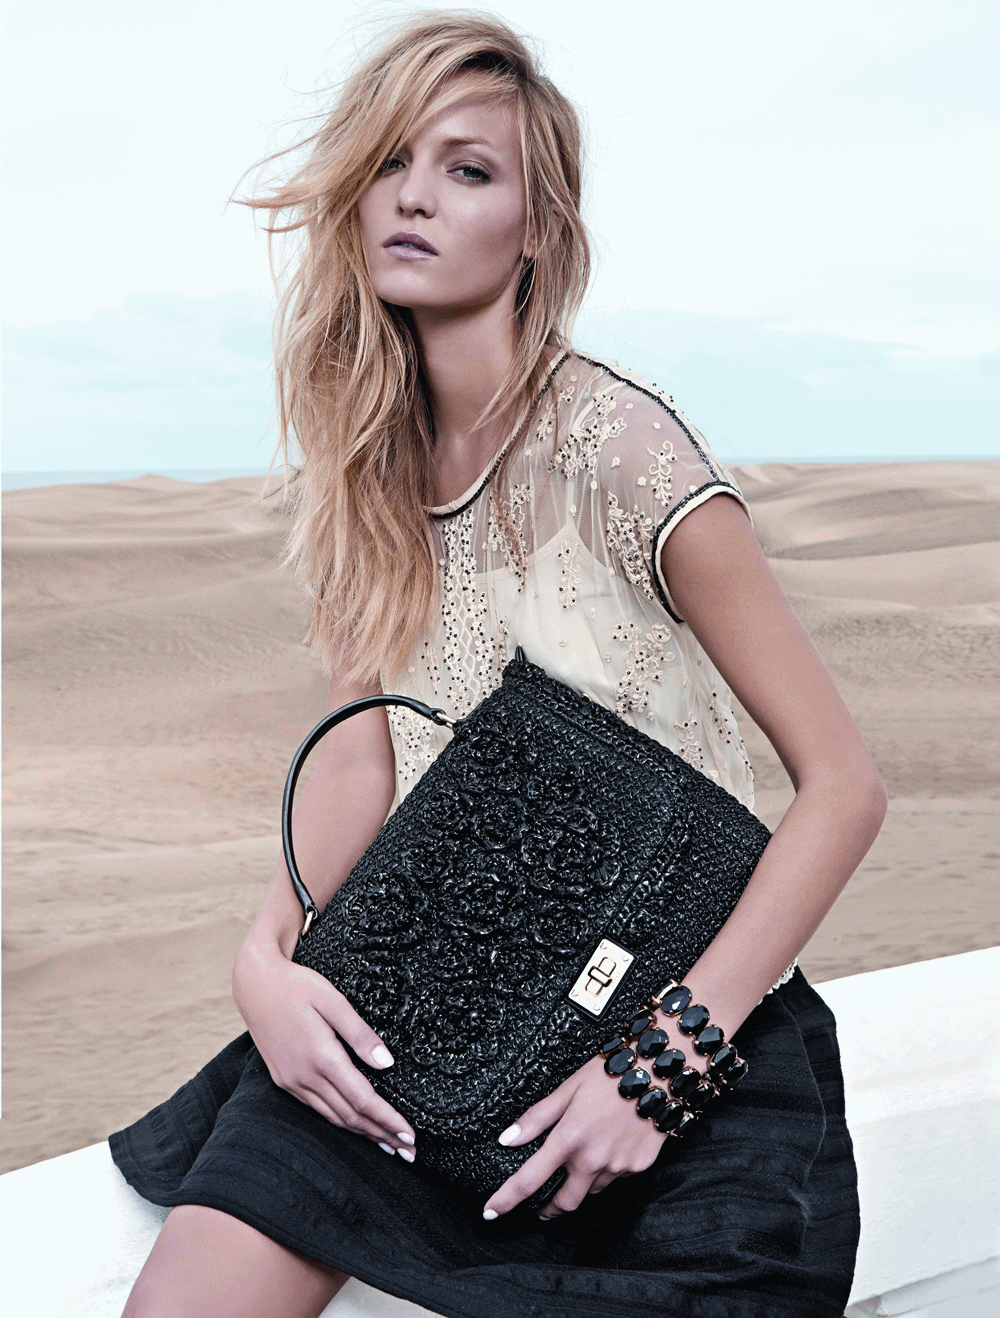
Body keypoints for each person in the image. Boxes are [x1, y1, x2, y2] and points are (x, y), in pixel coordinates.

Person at [111, 12, 887, 1318]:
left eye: (467, 169)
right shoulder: (368, 478)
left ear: (538, 228)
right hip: (437, 995)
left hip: (680, 1033)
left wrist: (665, 1064)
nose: (413, 196)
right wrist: (268, 955)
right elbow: (363, 753)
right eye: (390, 163)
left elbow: (845, 786)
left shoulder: (622, 448)